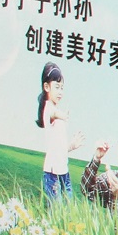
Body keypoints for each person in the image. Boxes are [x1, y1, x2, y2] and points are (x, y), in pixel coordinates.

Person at [36, 63, 82, 199]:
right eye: (57, 87)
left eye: (62, 88)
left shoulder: (56, 112)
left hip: (64, 171)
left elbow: (59, 148)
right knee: (56, 212)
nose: (60, 92)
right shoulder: (47, 108)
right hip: (52, 173)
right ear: (46, 87)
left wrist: (71, 146)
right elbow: (52, 113)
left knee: (67, 213)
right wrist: (61, 115)